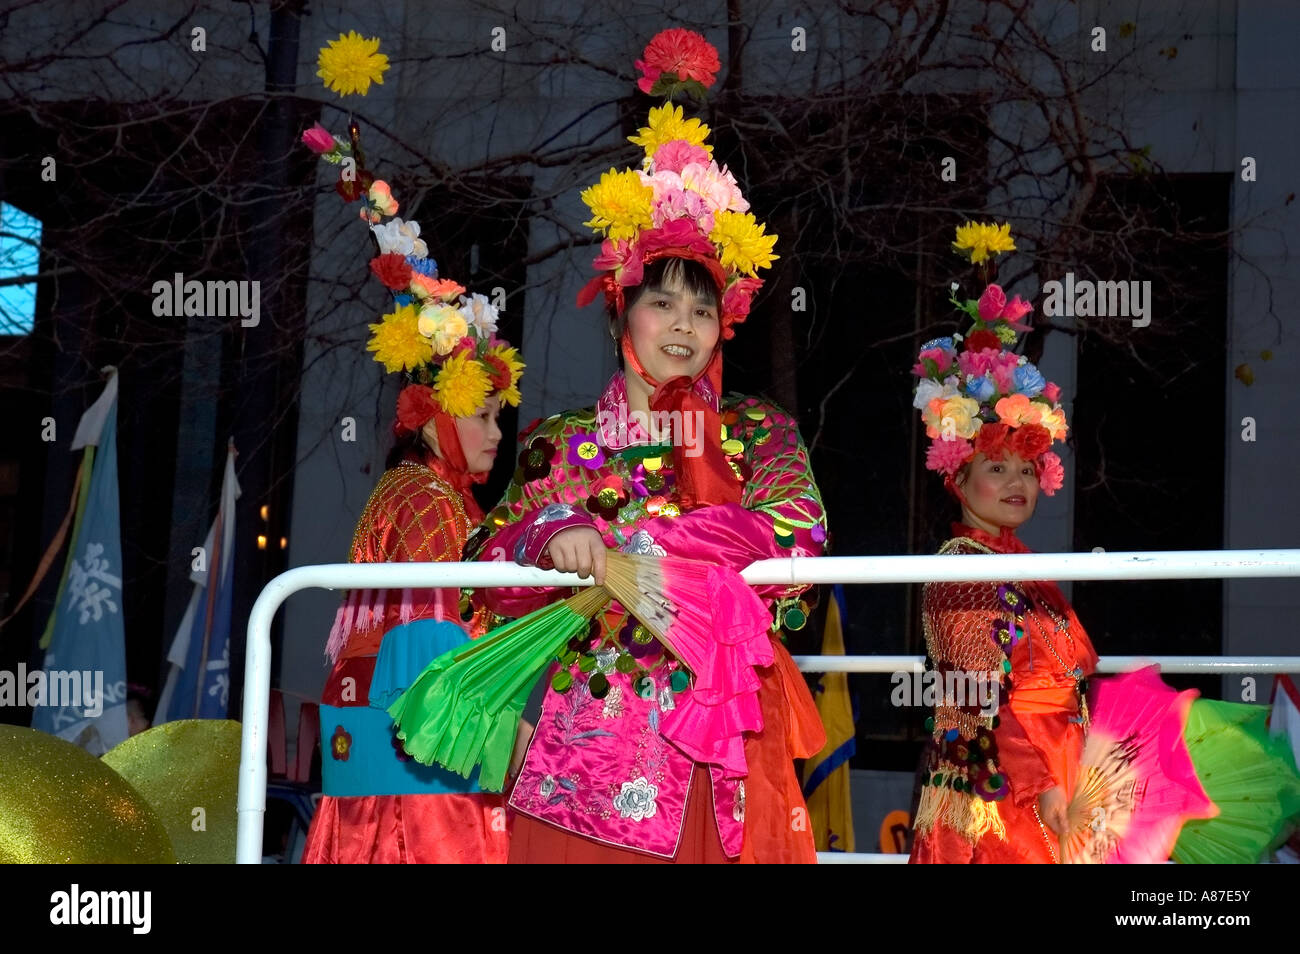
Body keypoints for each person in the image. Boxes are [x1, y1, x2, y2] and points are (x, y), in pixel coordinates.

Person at [468, 29, 827, 864]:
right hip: (585, 743)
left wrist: (640, 547)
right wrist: (549, 530)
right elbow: (485, 566)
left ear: (723, 325)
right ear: (621, 314)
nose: (683, 327)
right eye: (662, 305)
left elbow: (798, 542)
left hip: (720, 729)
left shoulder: (756, 431)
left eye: (701, 311)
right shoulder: (562, 443)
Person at [299, 154, 525, 862]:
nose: (495, 434)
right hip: (416, 741)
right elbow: (436, 649)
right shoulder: (429, 498)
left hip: (373, 728)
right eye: (483, 416)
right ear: (437, 415)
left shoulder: (413, 488)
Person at [907, 222, 1097, 864]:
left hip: (1058, 768)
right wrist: (1040, 782)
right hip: (1006, 787)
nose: (1016, 482)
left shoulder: (1022, 566)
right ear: (957, 477)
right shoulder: (964, 568)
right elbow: (976, 695)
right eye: (996, 468)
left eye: (1026, 468)